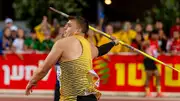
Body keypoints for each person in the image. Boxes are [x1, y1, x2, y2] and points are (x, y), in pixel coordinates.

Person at [25, 16, 119, 101]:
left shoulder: (62, 43)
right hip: (89, 97)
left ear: (77, 30)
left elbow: (43, 69)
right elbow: (101, 50)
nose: (65, 27)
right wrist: (113, 43)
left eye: (69, 25)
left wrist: (32, 81)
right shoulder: (89, 46)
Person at [143, 30, 163, 97]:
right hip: (147, 59)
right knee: (148, 76)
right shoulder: (148, 41)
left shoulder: (157, 42)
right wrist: (145, 44)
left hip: (153, 60)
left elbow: (159, 51)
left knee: (158, 75)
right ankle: (147, 92)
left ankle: (159, 92)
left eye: (156, 35)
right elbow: (142, 45)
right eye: (154, 35)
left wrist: (159, 49)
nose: (155, 36)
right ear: (151, 35)